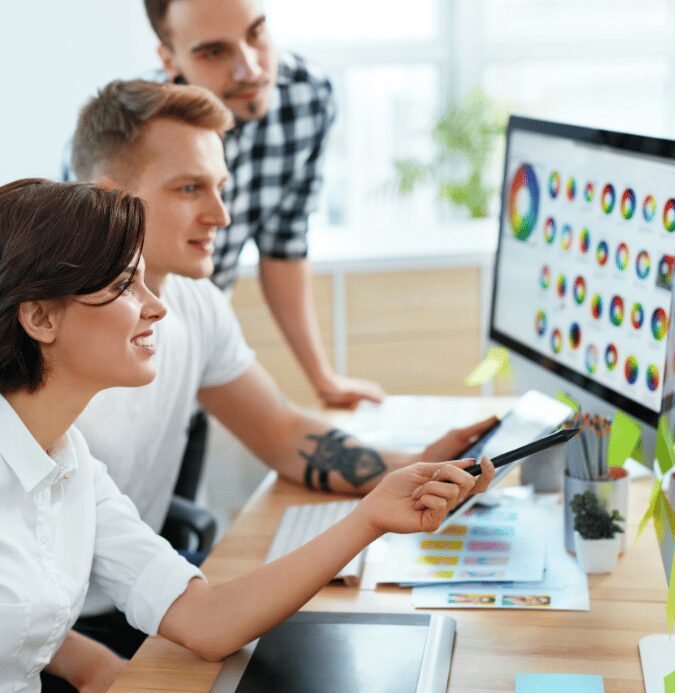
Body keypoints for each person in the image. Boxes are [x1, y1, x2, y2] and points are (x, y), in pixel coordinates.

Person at [0, 177, 494, 691]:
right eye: (125, 285)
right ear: (40, 317)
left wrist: (371, 517)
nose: (157, 306)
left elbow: (206, 620)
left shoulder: (69, 458)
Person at [66, 78, 500, 658]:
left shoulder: (194, 304)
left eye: (221, 187)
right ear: (108, 196)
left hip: (135, 601)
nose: (221, 215)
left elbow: (279, 431)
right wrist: (80, 661)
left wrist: (417, 466)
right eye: (190, 188)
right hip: (64, 630)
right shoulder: (46, 358)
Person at [141, 0, 384, 407]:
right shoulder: (132, 134)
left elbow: (284, 247)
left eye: (256, 33)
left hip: (208, 344)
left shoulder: (308, 97)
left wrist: (323, 380)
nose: (250, 69)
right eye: (214, 52)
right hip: (130, 359)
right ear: (170, 59)